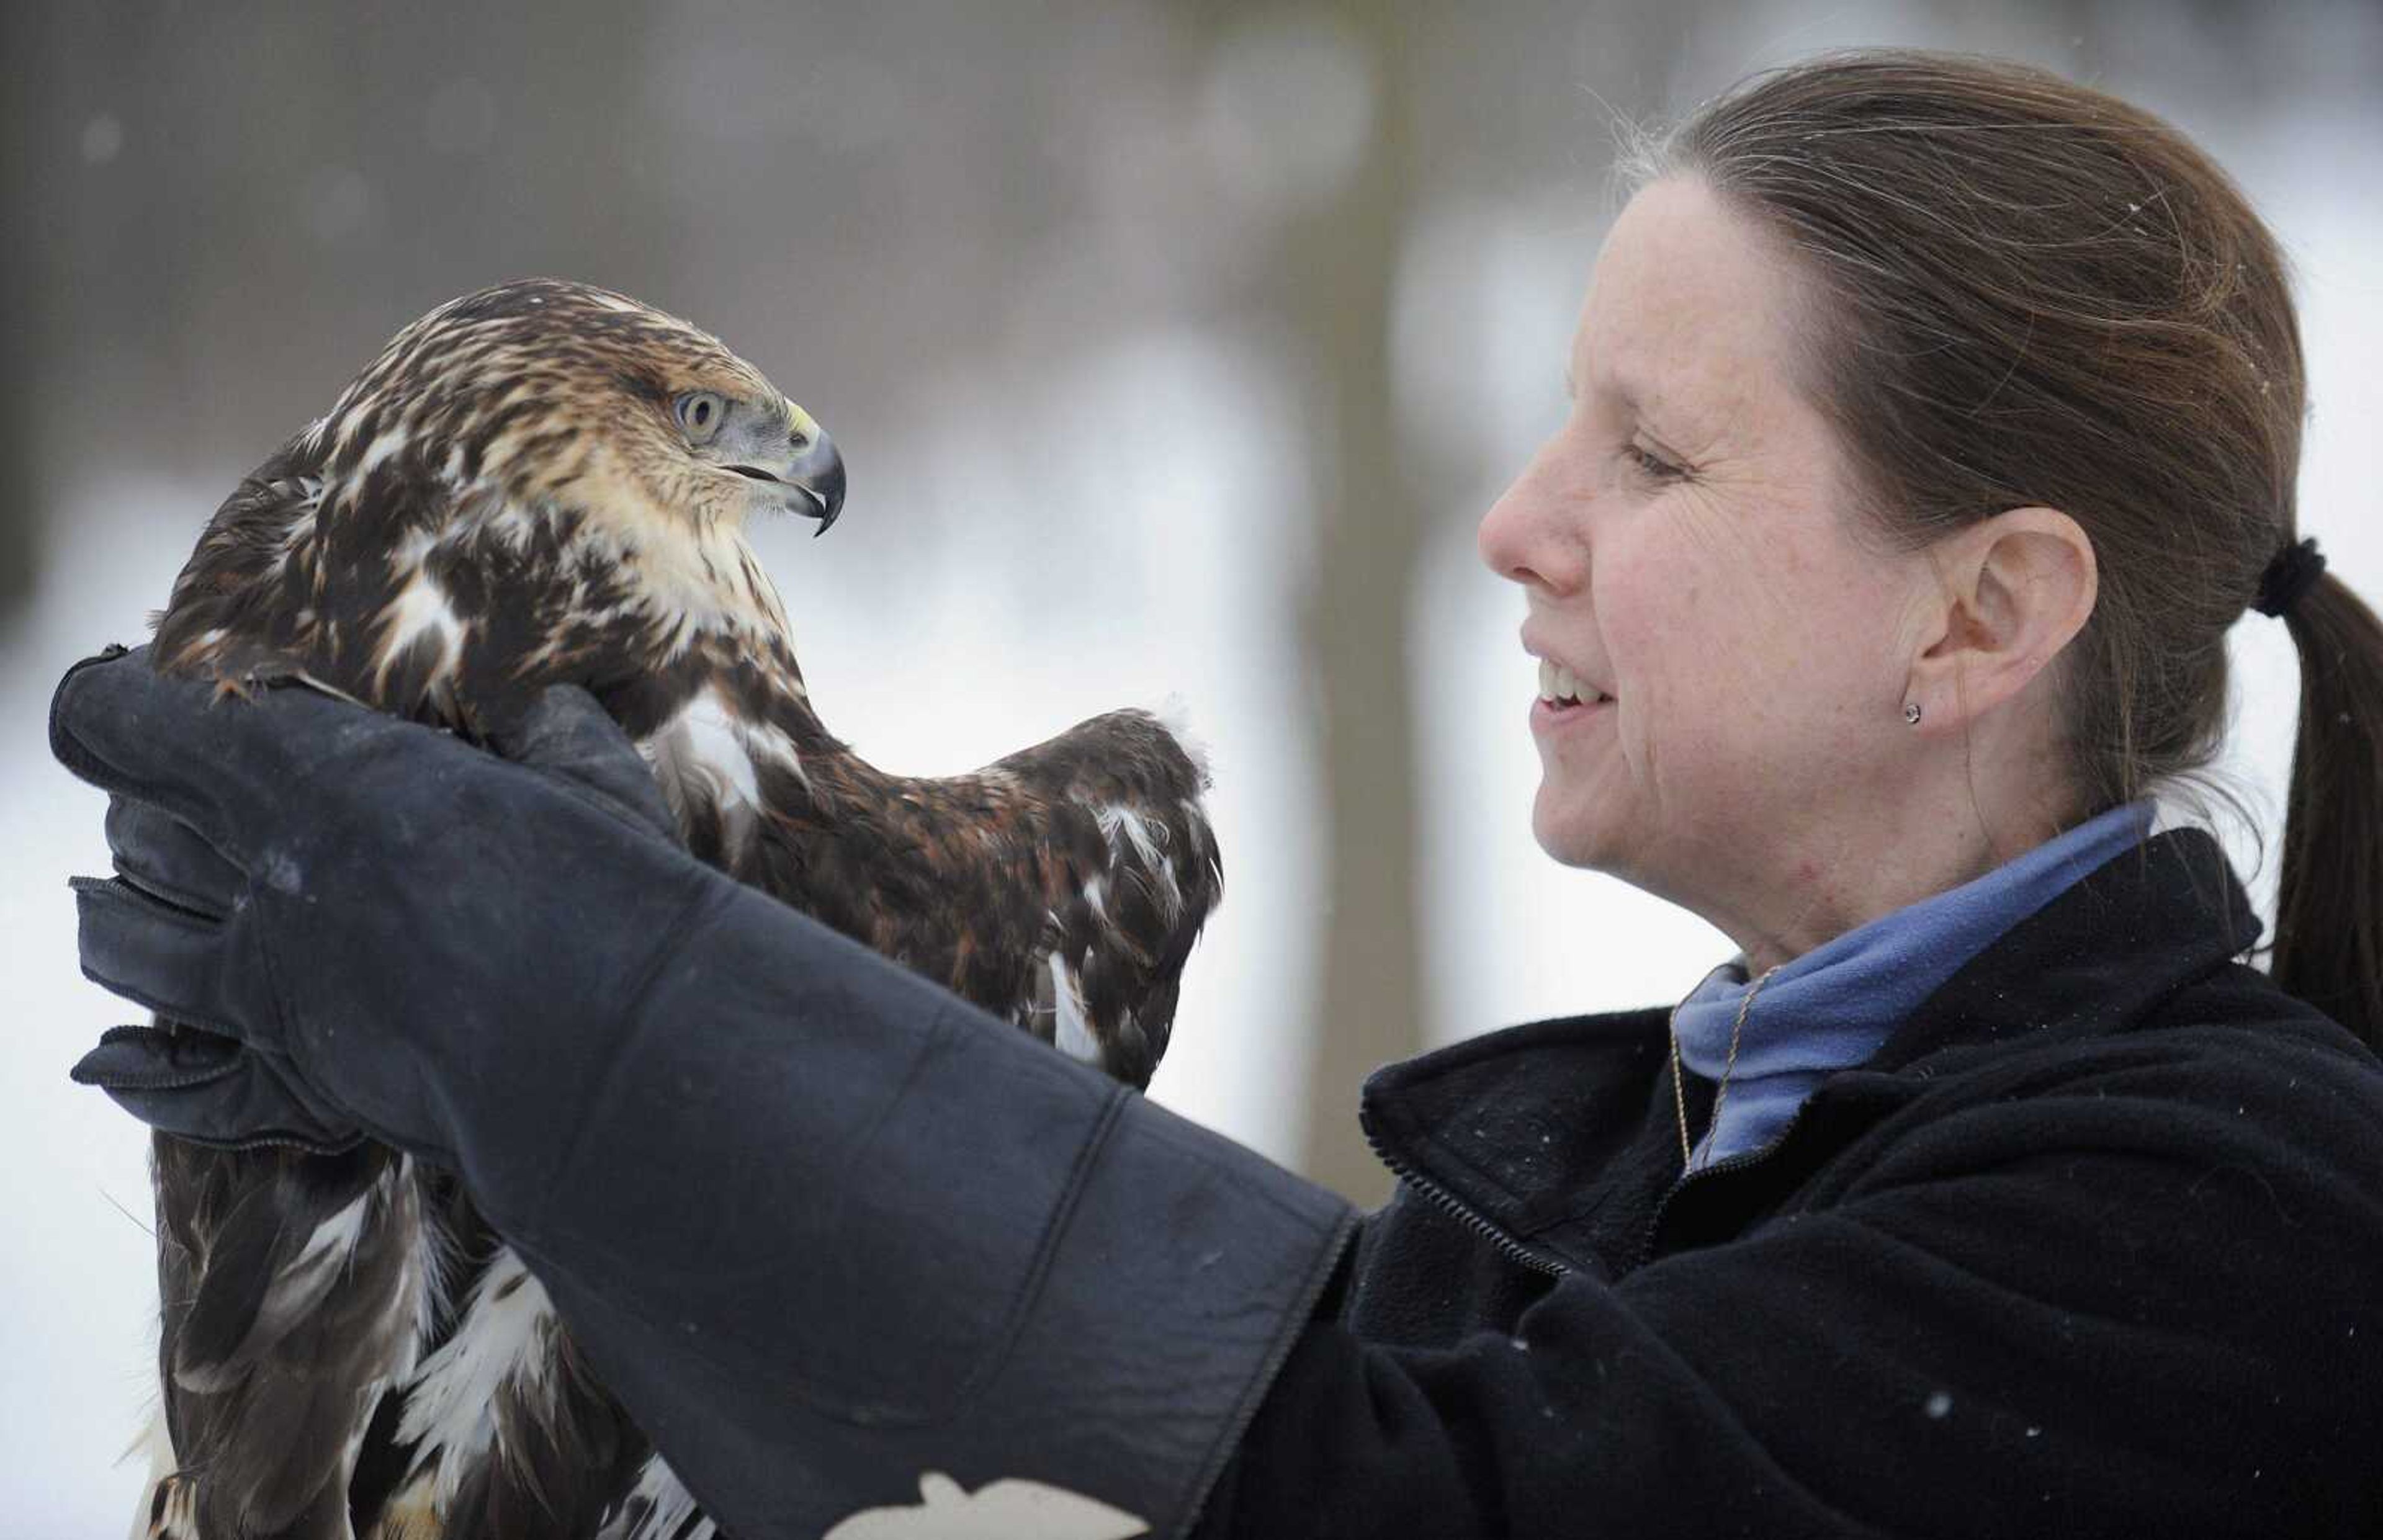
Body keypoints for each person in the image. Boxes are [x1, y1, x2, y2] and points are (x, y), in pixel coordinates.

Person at [52, 46, 2383, 1539]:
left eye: (1652, 452)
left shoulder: (2248, 1226)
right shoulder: (1592, 1196)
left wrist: (594, 1011)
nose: (1518, 518)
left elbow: (1368, 1508)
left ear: (1983, 614)